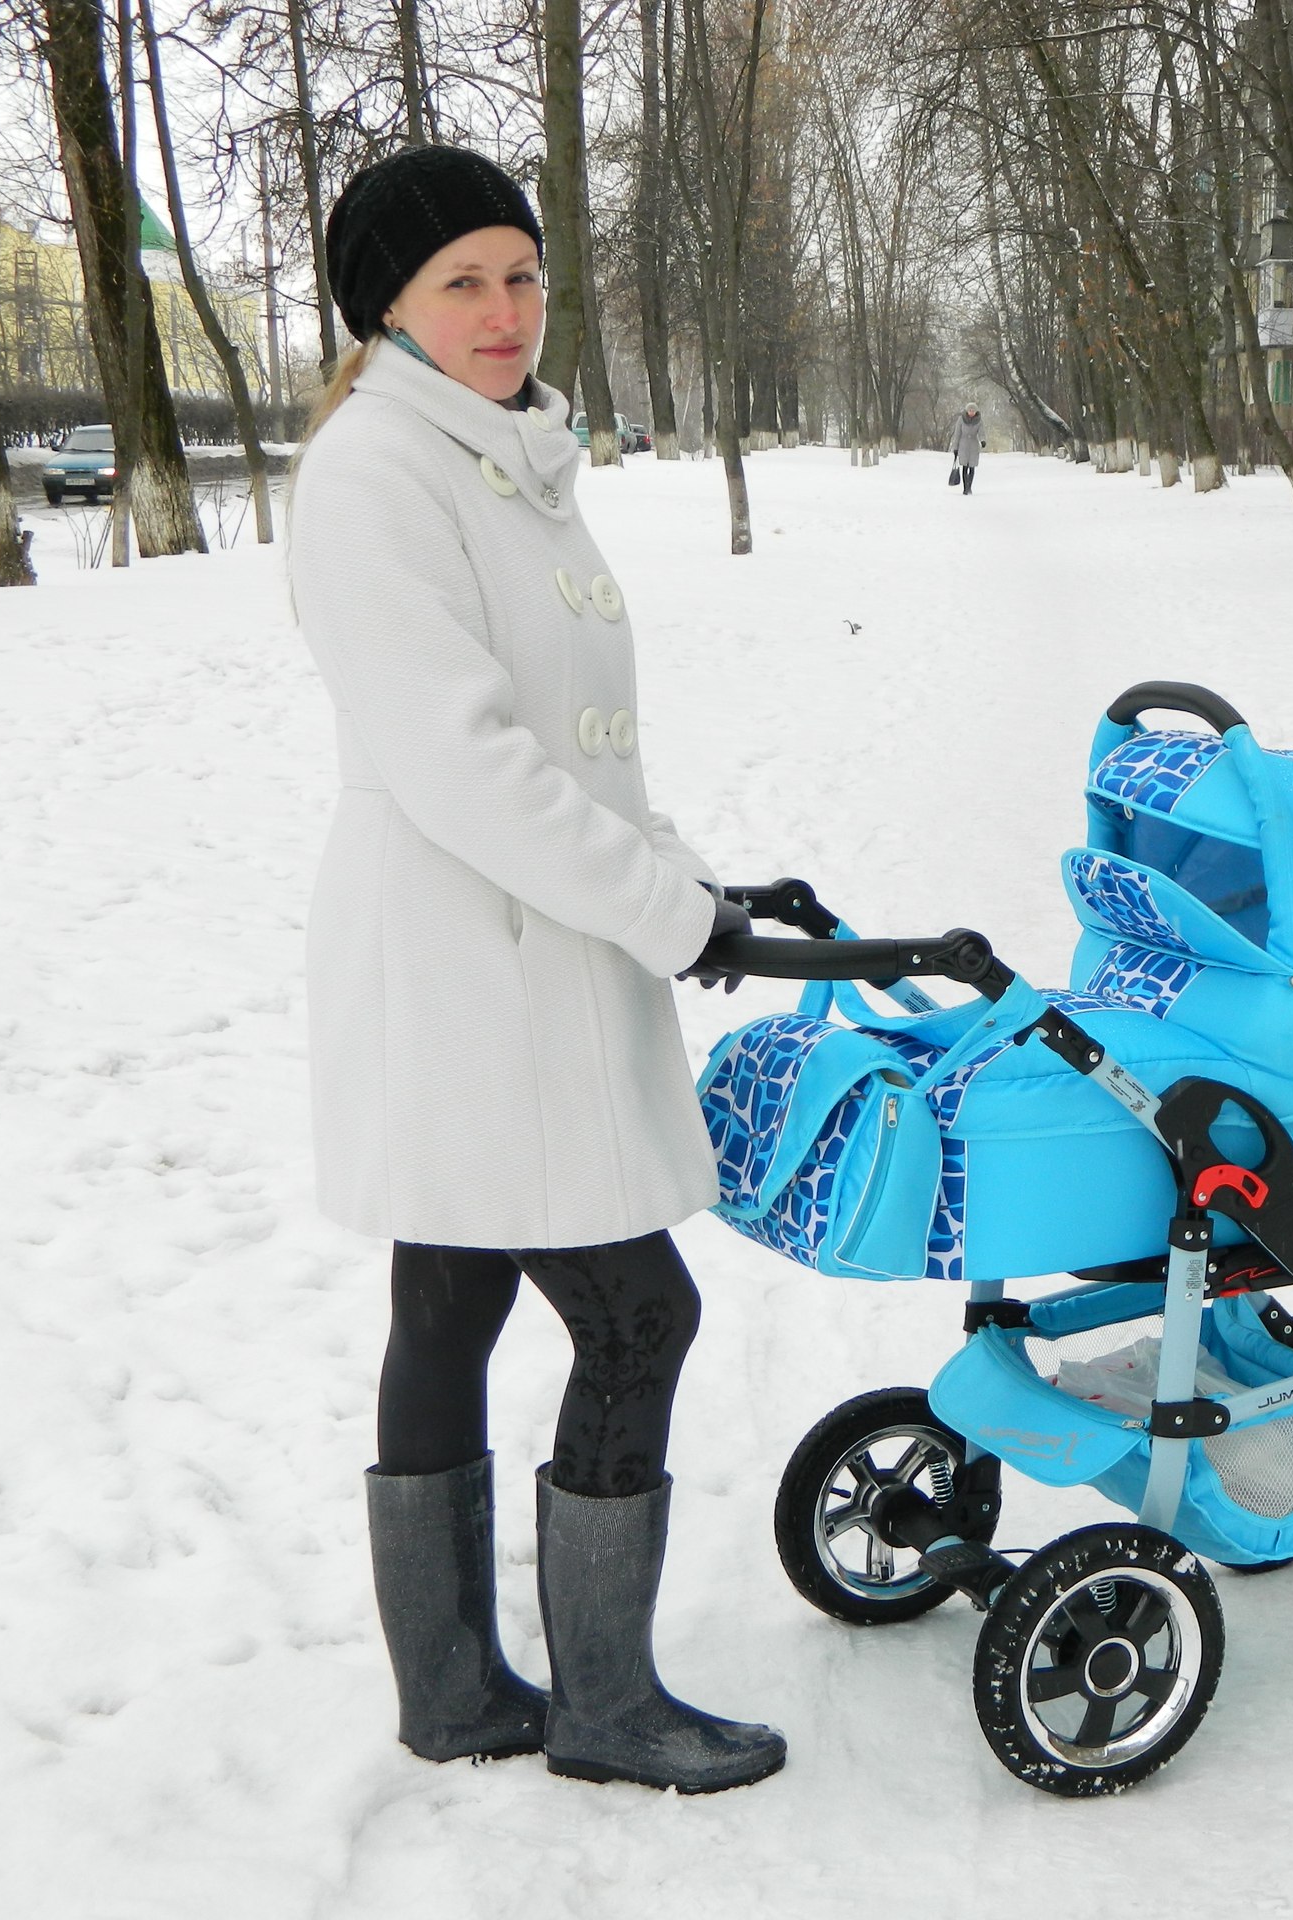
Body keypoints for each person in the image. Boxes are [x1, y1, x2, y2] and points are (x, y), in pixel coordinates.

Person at [285, 145, 781, 1795]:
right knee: (641, 1309)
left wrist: (692, 880)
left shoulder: (500, 455)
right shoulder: (378, 475)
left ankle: (453, 1694)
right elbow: (466, 764)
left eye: (523, 274)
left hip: (515, 937)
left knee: (454, 1291)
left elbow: (579, 749)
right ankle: (608, 1708)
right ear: (388, 308)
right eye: (463, 283)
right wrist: (663, 916)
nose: (506, 311)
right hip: (469, 962)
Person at [950, 403, 984, 495]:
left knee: (972, 467)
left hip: (973, 445)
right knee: (965, 466)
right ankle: (965, 488)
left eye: (973, 411)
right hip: (963, 445)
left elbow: (982, 432)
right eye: (970, 410)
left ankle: (969, 487)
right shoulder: (961, 419)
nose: (971, 412)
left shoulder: (979, 420)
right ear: (967, 411)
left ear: (976, 411)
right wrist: (955, 447)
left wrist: (983, 440)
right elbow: (957, 434)